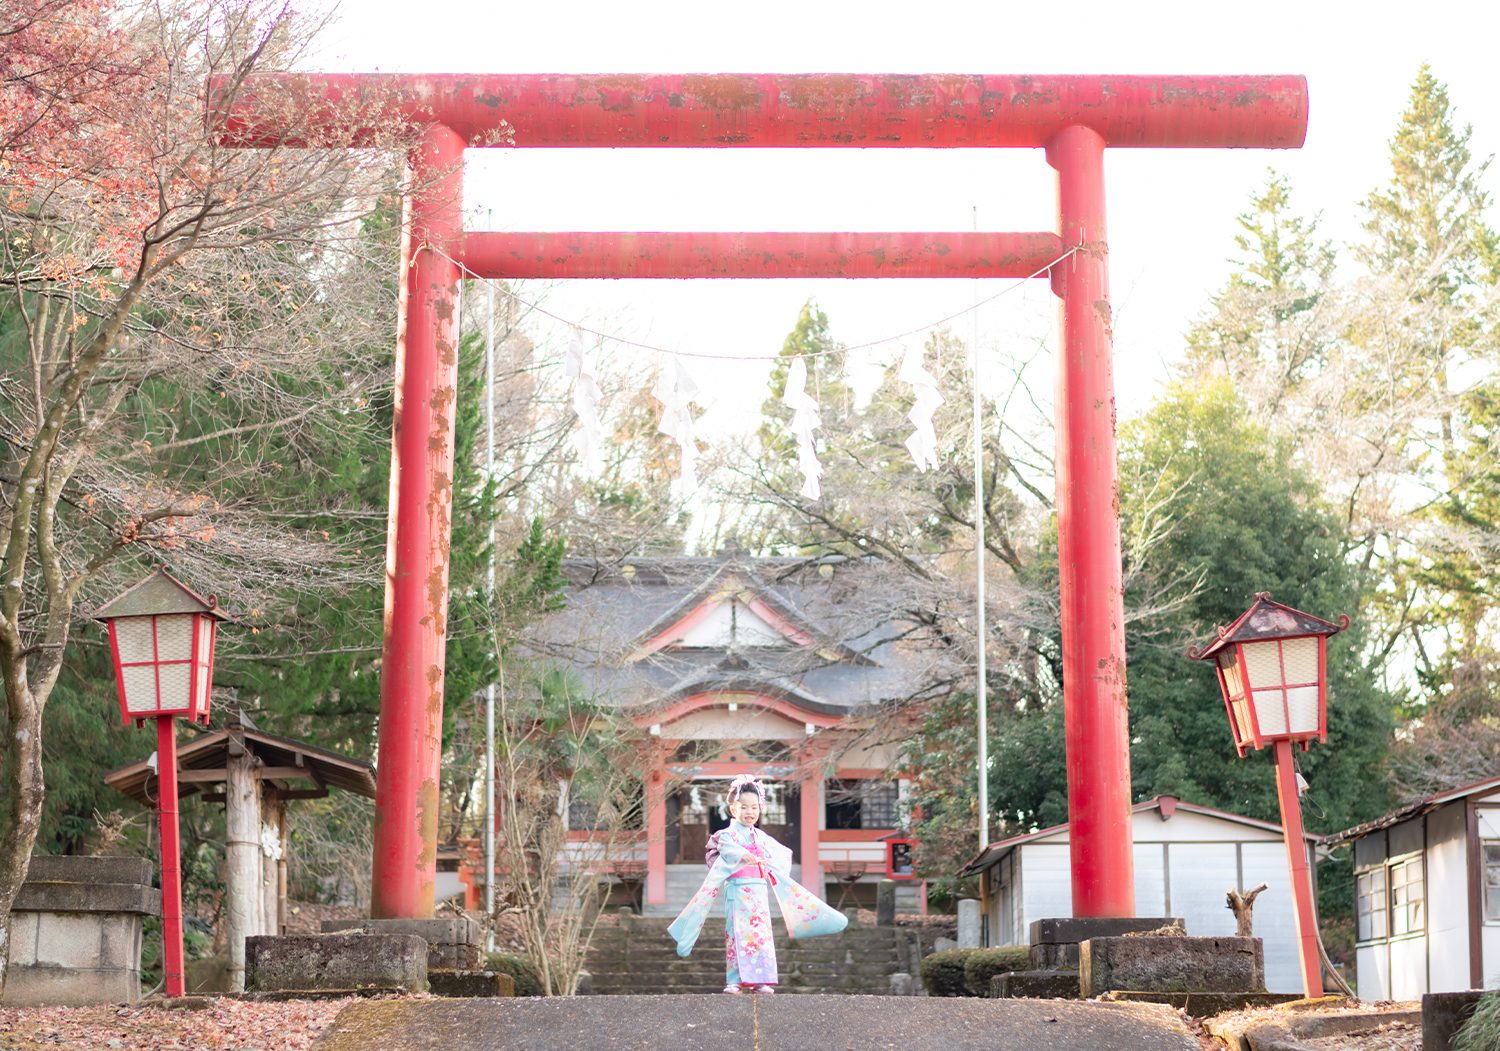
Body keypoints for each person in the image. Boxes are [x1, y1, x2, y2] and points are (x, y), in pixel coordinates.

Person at [667, 774, 847, 993]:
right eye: (744, 807)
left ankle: (762, 980)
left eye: (754, 807)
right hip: (737, 891)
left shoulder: (761, 837)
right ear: (733, 810)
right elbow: (727, 849)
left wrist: (771, 863)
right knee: (735, 934)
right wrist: (743, 854)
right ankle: (734, 980)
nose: (750, 812)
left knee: (761, 935)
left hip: (758, 892)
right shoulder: (726, 835)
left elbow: (781, 854)